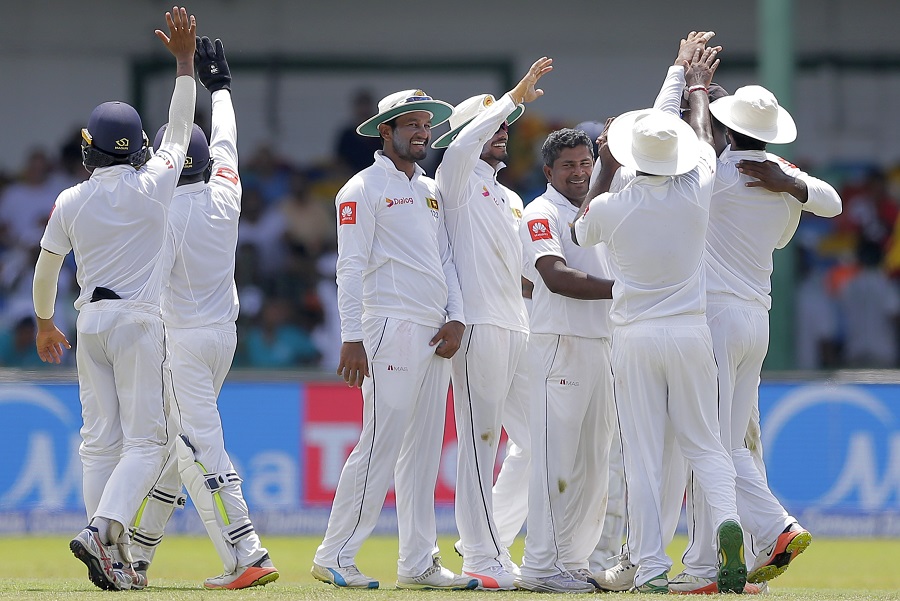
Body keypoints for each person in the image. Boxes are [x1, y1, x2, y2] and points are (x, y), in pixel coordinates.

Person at [572, 33, 748, 594]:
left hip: (634, 337)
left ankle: (650, 568)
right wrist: (692, 83)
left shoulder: (613, 204)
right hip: (689, 332)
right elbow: (695, 135)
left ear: (625, 160)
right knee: (706, 444)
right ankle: (727, 521)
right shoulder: (697, 186)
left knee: (644, 455)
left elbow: (580, 225)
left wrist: (603, 165)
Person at [31, 6, 197, 591]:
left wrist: (46, 323)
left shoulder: (71, 201)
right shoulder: (155, 187)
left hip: (89, 324)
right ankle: (103, 533)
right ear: (136, 149)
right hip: (137, 322)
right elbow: (180, 131)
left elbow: (48, 265)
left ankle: (111, 552)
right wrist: (183, 63)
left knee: (100, 441)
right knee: (149, 443)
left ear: (88, 151)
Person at [669, 82, 842, 593]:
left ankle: (767, 533)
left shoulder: (716, 174)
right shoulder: (782, 177)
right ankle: (722, 560)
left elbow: (700, 145)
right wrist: (788, 184)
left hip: (715, 320)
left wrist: (697, 90)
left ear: (726, 128)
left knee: (708, 446)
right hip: (755, 321)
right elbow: (829, 202)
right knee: (724, 443)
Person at [126, 36, 280, 590]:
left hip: (184, 342)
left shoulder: (162, 219)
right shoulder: (227, 189)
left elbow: (142, 287)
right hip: (224, 335)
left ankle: (248, 550)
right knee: (179, 446)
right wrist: (221, 89)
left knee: (199, 443)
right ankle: (139, 557)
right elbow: (227, 138)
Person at [311, 89, 476, 591]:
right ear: (386, 130)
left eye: (426, 124)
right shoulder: (361, 189)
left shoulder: (430, 189)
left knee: (424, 452)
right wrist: (352, 337)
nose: (423, 132)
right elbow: (350, 267)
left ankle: (418, 562)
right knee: (380, 441)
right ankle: (334, 553)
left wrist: (457, 317)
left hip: (433, 330)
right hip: (388, 326)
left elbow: (445, 259)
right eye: (412, 124)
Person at [432, 57, 553, 590]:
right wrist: (515, 96)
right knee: (480, 441)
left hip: (517, 325)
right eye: (492, 126)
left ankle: (489, 539)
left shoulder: (507, 197)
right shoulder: (453, 181)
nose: (502, 131)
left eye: (505, 127)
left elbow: (533, 270)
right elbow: (460, 146)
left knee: (540, 440)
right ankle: (482, 558)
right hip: (477, 326)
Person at [513, 128, 615, 593]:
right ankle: (540, 564)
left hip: (604, 343)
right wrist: (625, 292)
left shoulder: (602, 208)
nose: (578, 173)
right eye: (568, 166)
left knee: (595, 464)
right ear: (549, 172)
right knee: (557, 461)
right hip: (560, 345)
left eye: (585, 163)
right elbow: (554, 276)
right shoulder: (540, 212)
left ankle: (570, 562)